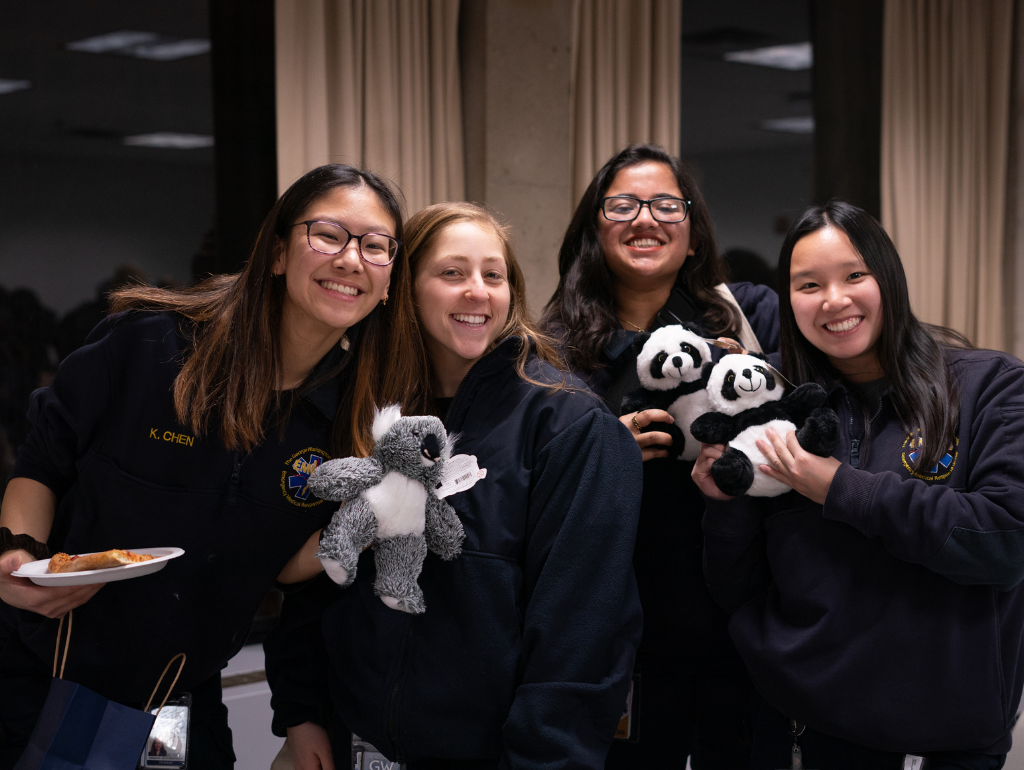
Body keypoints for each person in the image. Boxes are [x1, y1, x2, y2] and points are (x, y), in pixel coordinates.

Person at [0, 164, 419, 768]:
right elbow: (42, 460)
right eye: (327, 234)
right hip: (42, 671)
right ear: (277, 253)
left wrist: (374, 518)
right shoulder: (151, 347)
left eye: (375, 246)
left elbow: (288, 568)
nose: (351, 259)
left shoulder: (351, 419)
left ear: (387, 281)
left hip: (176, 700)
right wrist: (18, 551)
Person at [265, 201, 644, 769]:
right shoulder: (364, 409)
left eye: (493, 275)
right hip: (343, 745)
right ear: (403, 288)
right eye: (452, 273)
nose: (477, 291)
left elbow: (580, 639)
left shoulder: (570, 426)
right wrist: (301, 711)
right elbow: (314, 583)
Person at [694, 200, 1024, 769]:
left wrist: (839, 487)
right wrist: (724, 503)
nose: (834, 301)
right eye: (808, 285)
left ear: (888, 278)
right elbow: (738, 587)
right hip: (796, 732)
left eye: (854, 275)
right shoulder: (773, 405)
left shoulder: (987, 386)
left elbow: (1004, 541)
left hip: (940, 743)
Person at [541, 143, 779, 768]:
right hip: (620, 637)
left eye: (666, 205)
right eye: (622, 205)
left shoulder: (751, 318)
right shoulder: (554, 349)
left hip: (741, 627)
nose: (645, 219)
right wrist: (603, 454)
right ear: (595, 229)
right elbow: (526, 487)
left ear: (694, 234)